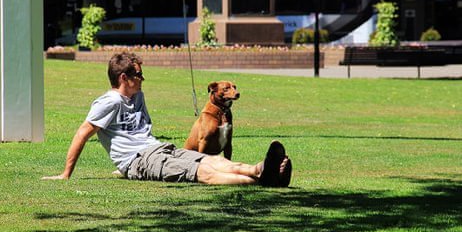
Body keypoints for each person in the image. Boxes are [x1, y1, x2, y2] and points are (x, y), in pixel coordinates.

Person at [42, 52, 291, 186]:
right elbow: (82, 133)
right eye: (138, 74)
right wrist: (66, 174)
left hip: (160, 148)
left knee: (209, 159)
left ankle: (259, 169)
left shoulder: (138, 96)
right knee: (201, 172)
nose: (142, 78)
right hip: (140, 161)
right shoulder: (109, 102)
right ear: (123, 78)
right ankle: (260, 180)